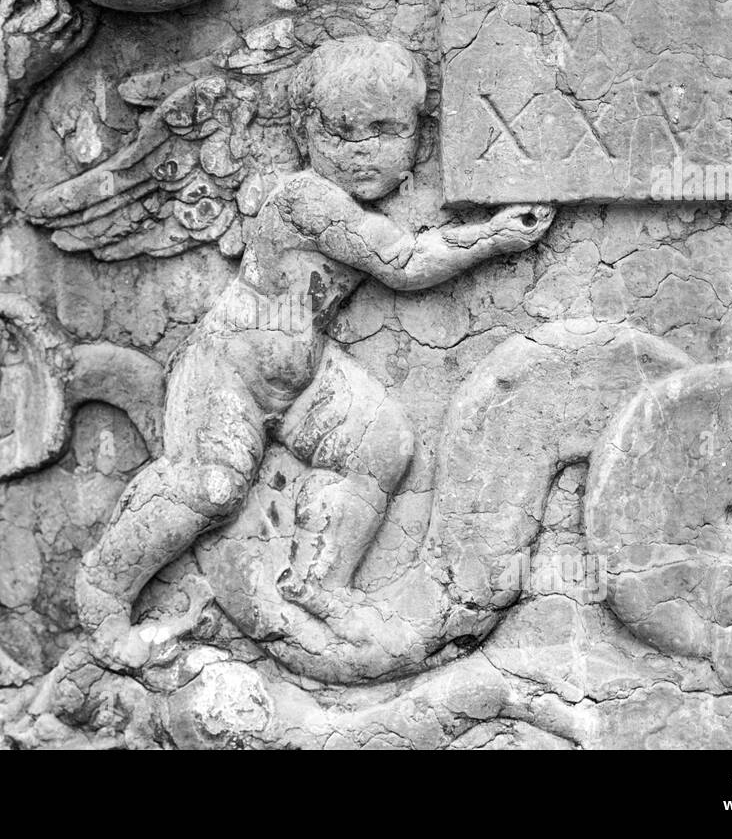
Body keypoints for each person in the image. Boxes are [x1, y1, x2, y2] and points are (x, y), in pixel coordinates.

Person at [76, 36, 555, 668]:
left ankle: (318, 583)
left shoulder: (367, 200)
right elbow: (401, 261)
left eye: (384, 133)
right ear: (307, 135)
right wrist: (492, 235)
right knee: (211, 486)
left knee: (381, 444)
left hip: (302, 373)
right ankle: (104, 594)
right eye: (340, 134)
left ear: (416, 134)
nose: (361, 155)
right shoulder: (304, 199)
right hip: (231, 370)